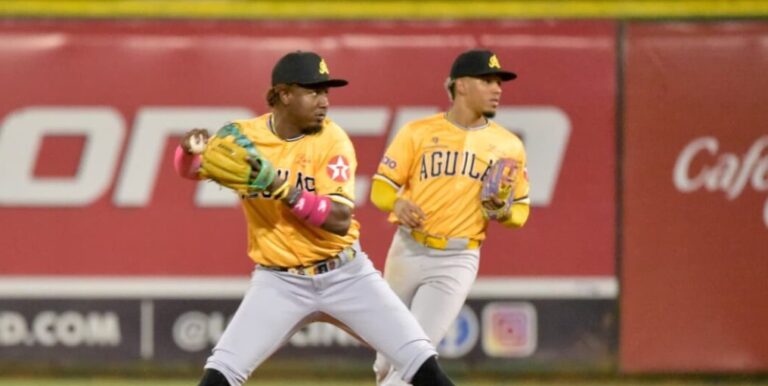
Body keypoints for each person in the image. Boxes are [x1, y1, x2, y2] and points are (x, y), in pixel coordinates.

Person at [174, 51, 456, 386]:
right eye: (314, 92)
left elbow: (339, 219)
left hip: (346, 275)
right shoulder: (244, 138)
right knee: (218, 376)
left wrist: (282, 189)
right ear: (284, 94)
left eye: (326, 92)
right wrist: (188, 150)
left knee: (424, 368)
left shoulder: (332, 141)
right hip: (279, 283)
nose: (324, 101)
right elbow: (190, 170)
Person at [369, 49, 531, 385]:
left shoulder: (508, 145)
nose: (497, 88)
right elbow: (380, 189)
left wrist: (504, 212)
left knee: (414, 356)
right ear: (460, 86)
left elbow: (521, 212)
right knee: (384, 360)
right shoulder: (418, 132)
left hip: (457, 259)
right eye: (487, 81)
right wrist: (398, 204)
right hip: (407, 250)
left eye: (499, 82)